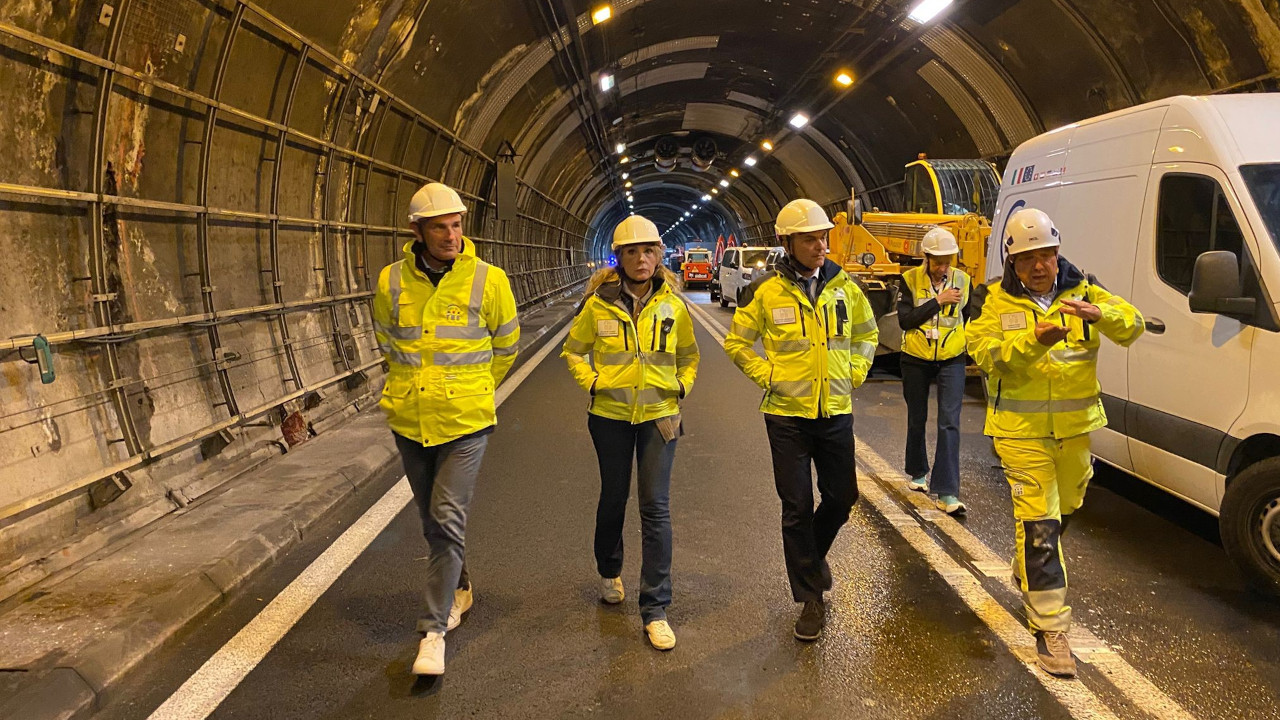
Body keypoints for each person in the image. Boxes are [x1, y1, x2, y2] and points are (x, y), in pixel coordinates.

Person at [967, 207, 1143, 677]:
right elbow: (986, 356)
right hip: (1020, 434)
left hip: (1074, 431)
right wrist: (1034, 341)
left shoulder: (1083, 289)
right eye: (1028, 258)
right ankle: (1050, 628)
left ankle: (1028, 565)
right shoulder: (992, 302)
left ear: (1058, 251)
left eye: (1046, 253)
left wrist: (1100, 313)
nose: (1039, 265)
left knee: (1065, 508)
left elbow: (1133, 326)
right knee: (1041, 521)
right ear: (1011, 261)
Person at [372, 182, 520, 676]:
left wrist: (473, 390)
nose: (451, 235)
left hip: (465, 422)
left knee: (445, 516)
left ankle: (433, 632)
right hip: (410, 419)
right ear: (416, 230)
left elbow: (506, 347)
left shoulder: (490, 280)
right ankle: (460, 586)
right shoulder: (391, 281)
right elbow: (389, 343)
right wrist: (417, 387)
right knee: (433, 520)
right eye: (440, 226)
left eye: (456, 224)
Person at [724, 199, 877, 641]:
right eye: (810, 238)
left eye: (823, 237)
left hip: (834, 412)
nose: (820, 246)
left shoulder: (845, 288)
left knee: (843, 497)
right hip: (786, 417)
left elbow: (867, 334)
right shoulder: (767, 292)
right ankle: (810, 599)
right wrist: (768, 374)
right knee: (796, 506)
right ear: (787, 242)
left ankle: (809, 559)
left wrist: (856, 371)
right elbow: (737, 344)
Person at [561, 215, 699, 651]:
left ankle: (656, 609)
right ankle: (609, 569)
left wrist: (681, 385)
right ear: (618, 258)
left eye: (650, 251)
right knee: (614, 497)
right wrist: (594, 383)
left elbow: (689, 355)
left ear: (660, 255)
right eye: (633, 252)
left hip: (661, 416)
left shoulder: (673, 305)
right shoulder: (597, 305)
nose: (643, 259)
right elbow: (573, 352)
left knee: (656, 507)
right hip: (610, 417)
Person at [897, 227, 972, 515]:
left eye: (947, 261)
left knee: (949, 422)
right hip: (915, 358)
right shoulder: (909, 281)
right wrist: (937, 302)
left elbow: (972, 319)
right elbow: (905, 321)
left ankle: (948, 492)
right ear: (926, 258)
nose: (943, 267)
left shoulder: (963, 281)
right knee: (917, 417)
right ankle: (918, 471)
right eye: (937, 261)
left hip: (952, 358)